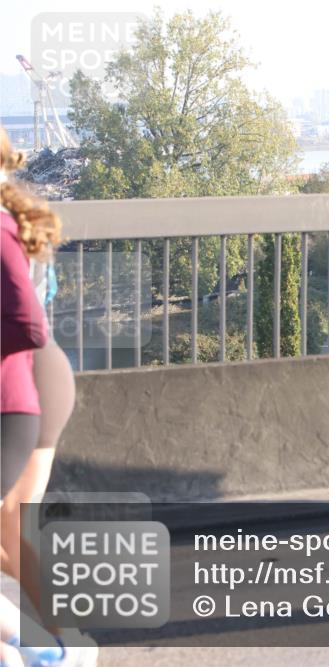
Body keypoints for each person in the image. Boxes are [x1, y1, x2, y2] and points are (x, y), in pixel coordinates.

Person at [0, 127, 95, 667]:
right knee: (13, 525)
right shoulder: (23, 213)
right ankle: (56, 645)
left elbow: (21, 320)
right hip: (45, 370)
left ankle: (49, 647)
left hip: (23, 374)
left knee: (14, 524)